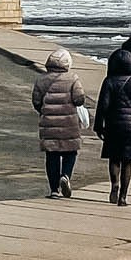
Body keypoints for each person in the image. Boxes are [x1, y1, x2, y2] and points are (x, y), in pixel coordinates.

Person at [93, 49, 131, 206]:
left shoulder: (109, 81)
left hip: (114, 126)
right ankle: (123, 196)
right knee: (127, 162)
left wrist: (99, 126)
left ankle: (114, 184)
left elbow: (102, 107)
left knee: (114, 158)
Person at [31, 48, 88, 199]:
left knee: (52, 156)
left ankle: (54, 190)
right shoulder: (73, 79)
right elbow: (79, 100)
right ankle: (66, 175)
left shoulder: (41, 80)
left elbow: (36, 102)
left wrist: (46, 112)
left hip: (49, 125)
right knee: (71, 152)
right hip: (69, 123)